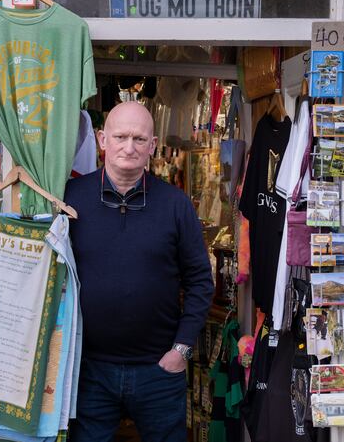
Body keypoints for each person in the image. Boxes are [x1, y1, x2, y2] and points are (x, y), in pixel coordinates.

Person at [64, 102, 214, 442]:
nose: (129, 147)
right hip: (89, 370)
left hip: (159, 371)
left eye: (138, 138)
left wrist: (182, 350)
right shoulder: (70, 200)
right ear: (102, 140)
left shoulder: (176, 204)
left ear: (153, 144)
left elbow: (200, 282)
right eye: (120, 136)